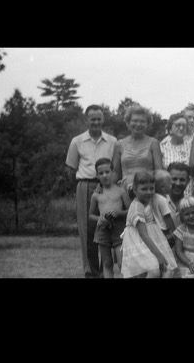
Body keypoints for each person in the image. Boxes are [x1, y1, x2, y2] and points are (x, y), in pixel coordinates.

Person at [65, 105, 118, 278]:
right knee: (87, 230)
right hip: (85, 185)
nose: (96, 122)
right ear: (86, 120)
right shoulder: (77, 141)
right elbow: (70, 170)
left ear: (103, 120)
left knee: (108, 226)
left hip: (107, 186)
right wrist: (83, 186)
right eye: (92, 119)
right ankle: (91, 272)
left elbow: (116, 168)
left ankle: (106, 271)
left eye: (99, 118)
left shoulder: (112, 141)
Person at [120, 170, 178, 278]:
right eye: (144, 189)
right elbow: (143, 235)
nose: (149, 192)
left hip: (153, 239)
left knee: (167, 270)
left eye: (151, 188)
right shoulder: (137, 207)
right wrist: (159, 255)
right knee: (154, 271)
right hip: (139, 243)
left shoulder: (149, 200)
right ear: (135, 189)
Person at [89, 158, 131, 278]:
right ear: (97, 175)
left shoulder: (121, 191)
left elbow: (130, 210)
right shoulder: (96, 195)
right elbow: (90, 215)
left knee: (122, 262)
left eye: (107, 172)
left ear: (113, 172)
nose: (105, 175)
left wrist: (119, 213)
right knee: (107, 263)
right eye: (101, 173)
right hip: (102, 229)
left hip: (119, 229)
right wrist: (99, 219)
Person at [114, 104, 163, 195]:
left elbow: (159, 171)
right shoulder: (119, 144)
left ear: (147, 124)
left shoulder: (154, 143)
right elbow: (115, 174)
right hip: (125, 192)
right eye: (135, 121)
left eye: (142, 121)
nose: (138, 124)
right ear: (128, 123)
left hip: (147, 190)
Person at [160, 113, 193, 196]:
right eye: (178, 125)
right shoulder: (162, 148)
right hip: (168, 195)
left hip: (188, 193)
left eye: (184, 126)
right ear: (170, 128)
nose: (181, 128)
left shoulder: (192, 147)